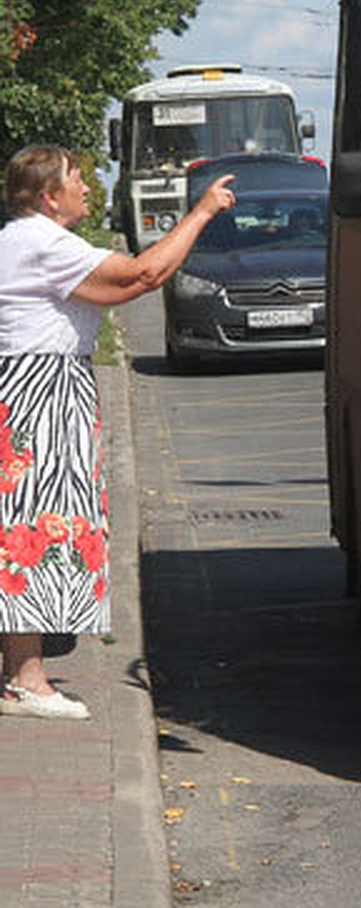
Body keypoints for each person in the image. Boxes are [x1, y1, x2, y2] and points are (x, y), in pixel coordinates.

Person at [0, 144, 235, 719]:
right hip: (39, 393)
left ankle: (24, 675)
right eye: (77, 178)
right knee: (29, 529)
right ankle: (26, 683)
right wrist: (201, 213)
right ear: (50, 196)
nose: (87, 187)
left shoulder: (29, 241)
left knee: (29, 529)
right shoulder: (44, 243)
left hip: (40, 386)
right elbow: (143, 274)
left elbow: (122, 288)